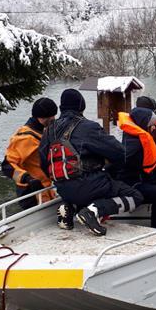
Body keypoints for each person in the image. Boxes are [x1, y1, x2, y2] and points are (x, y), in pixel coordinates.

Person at [38, 89, 144, 236]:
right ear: (82, 106)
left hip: (63, 189)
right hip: (89, 185)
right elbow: (119, 152)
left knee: (85, 190)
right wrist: (111, 170)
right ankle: (93, 211)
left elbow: (43, 163)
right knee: (135, 196)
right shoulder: (88, 127)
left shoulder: (48, 131)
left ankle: (68, 207)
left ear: (61, 107)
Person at [1, 97, 58, 209]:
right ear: (39, 117)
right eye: (49, 116)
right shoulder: (25, 138)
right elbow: (7, 166)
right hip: (31, 192)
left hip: (46, 189)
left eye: (54, 115)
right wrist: (26, 178)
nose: (53, 119)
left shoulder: (44, 131)